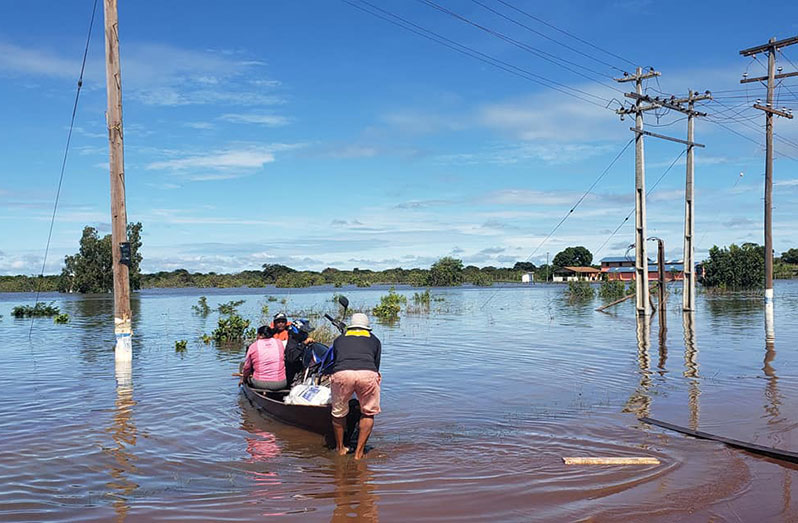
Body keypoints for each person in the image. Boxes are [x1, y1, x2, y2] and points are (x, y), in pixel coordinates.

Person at [329, 312, 381, 460]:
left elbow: (336, 361)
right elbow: (376, 365)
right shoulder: (375, 340)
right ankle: (359, 453)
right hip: (367, 373)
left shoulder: (339, 340)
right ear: (367, 328)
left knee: (338, 412)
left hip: (342, 373)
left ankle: (340, 448)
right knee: (368, 412)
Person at [240, 325, 287, 391]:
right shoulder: (279, 343)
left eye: (257, 335)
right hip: (281, 383)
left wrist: (244, 379)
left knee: (249, 374)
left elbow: (247, 367)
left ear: (260, 335)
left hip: (259, 384)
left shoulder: (253, 346)